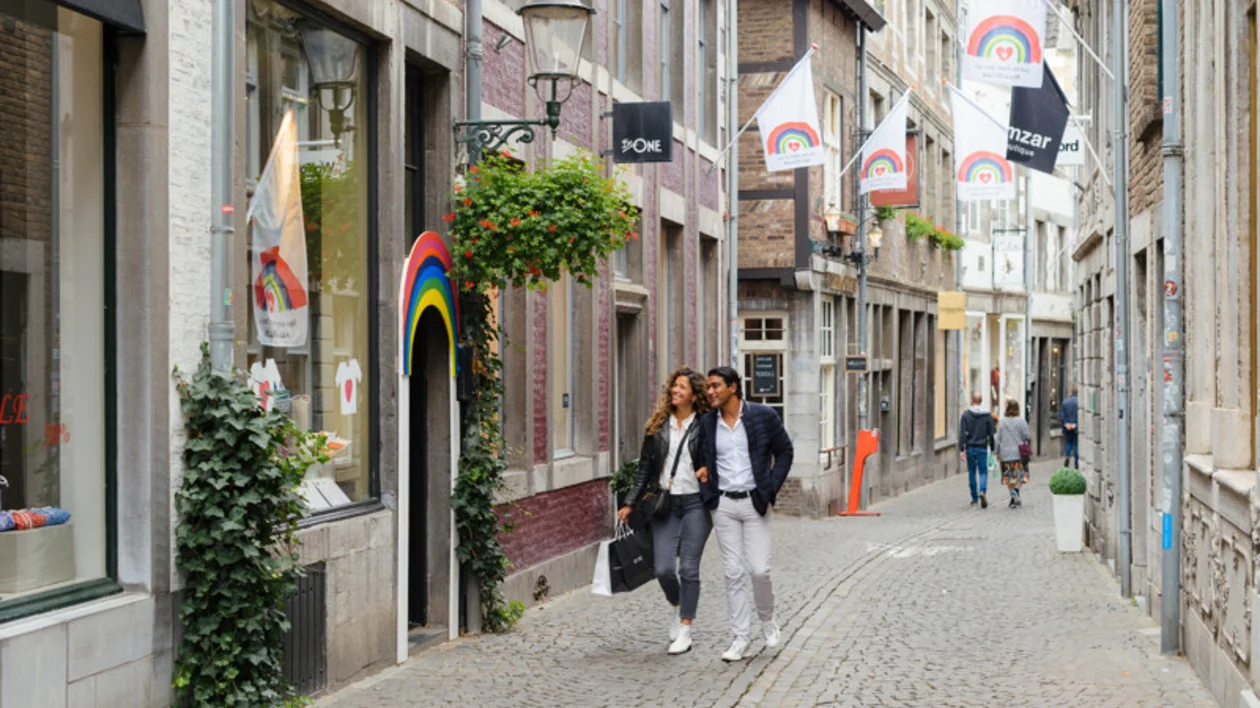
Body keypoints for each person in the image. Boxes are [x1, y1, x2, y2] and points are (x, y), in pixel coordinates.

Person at [691, 366, 794, 663]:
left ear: (733, 387)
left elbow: (785, 451)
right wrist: (704, 473)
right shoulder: (707, 422)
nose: (710, 391)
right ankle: (740, 638)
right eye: (708, 387)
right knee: (733, 572)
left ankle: (767, 619)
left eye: (715, 386)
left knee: (759, 569)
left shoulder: (763, 416)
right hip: (723, 505)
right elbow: (701, 455)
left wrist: (771, 487)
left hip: (755, 503)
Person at [618, 368, 713, 655]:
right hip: (666, 504)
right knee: (662, 569)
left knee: (688, 567)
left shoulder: (706, 425)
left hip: (696, 504)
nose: (675, 390)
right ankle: (677, 605)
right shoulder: (657, 426)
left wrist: (710, 471)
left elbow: (718, 458)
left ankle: (686, 629)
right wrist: (629, 502)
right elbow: (644, 469)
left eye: (682, 387)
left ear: (694, 395)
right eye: (674, 386)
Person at [959, 392, 996, 508]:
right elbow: (991, 433)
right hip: (982, 448)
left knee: (971, 472)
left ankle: (974, 498)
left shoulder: (966, 415)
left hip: (970, 447)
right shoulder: (987, 415)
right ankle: (982, 491)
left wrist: (961, 449)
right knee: (983, 472)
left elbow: (962, 434)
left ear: (971, 400)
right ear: (981, 401)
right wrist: (993, 448)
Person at [995, 398, 1032, 508]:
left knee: (1009, 477)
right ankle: (1016, 490)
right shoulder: (1022, 421)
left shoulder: (1002, 422)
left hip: (1005, 455)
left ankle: (1012, 499)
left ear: (1007, 409)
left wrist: (996, 451)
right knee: (1021, 475)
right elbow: (1027, 436)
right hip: (1019, 454)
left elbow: (998, 439)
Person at [1061, 385, 1080, 469]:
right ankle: (1076, 464)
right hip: (1076, 426)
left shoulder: (1065, 402)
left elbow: (1062, 415)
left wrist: (1066, 424)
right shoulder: (1079, 402)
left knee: (1069, 443)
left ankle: (1067, 456)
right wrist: (1075, 424)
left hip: (1068, 427)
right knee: (1076, 445)